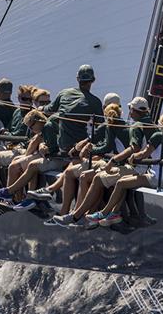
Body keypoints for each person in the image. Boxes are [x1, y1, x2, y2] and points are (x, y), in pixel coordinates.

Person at [51, 96, 154, 225]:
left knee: (97, 178)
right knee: (95, 177)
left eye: (130, 109)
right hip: (146, 169)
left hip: (136, 168)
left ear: (133, 109)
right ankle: (85, 213)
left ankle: (77, 215)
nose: (129, 112)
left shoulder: (137, 126)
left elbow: (134, 148)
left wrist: (113, 160)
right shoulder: (152, 124)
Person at [89, 110, 163, 226]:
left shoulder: (158, 136)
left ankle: (104, 213)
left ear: (161, 121)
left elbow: (144, 153)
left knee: (120, 183)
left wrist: (133, 156)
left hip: (155, 178)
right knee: (126, 181)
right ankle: (115, 214)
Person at [43, 65, 104, 154]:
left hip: (63, 146)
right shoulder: (95, 102)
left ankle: (53, 152)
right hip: (79, 147)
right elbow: (101, 126)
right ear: (93, 80)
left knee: (49, 124)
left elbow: (49, 109)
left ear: (77, 79)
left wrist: (41, 108)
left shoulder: (64, 93)